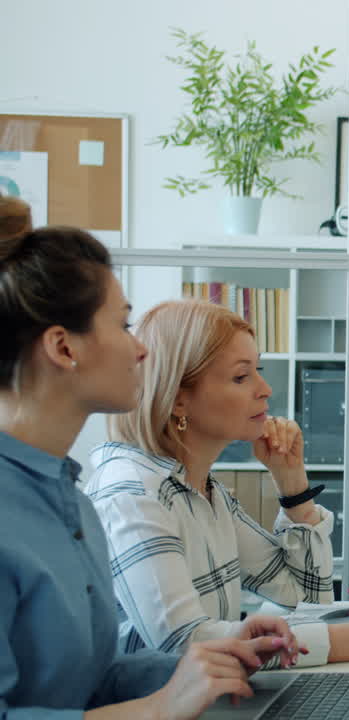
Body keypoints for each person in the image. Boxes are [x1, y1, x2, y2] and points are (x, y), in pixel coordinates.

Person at [0, 214, 295, 717]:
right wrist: (160, 707)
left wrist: (211, 661)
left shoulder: (68, 497)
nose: (141, 350)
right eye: (123, 324)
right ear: (63, 347)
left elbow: (94, 678)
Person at [86, 299, 349, 666]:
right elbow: (184, 646)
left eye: (258, 370)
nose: (265, 389)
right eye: (241, 376)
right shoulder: (134, 493)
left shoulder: (202, 490)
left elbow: (307, 595)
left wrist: (292, 482)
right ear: (179, 400)